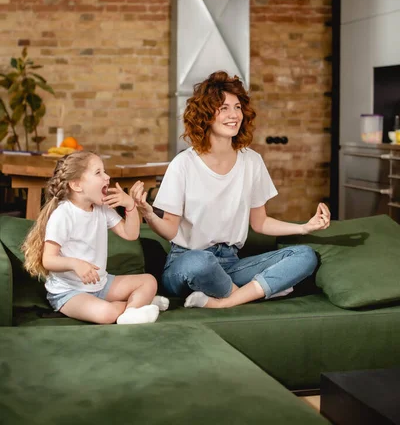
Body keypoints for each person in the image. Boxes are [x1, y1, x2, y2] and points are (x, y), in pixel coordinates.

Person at [131, 71, 331, 309]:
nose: (234, 115)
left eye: (237, 107)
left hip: (231, 263)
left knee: (304, 256)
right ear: (205, 115)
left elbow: (260, 223)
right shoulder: (183, 164)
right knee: (200, 261)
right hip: (186, 263)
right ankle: (250, 293)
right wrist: (148, 213)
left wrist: (305, 227)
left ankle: (225, 301)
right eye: (224, 108)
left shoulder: (252, 161)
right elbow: (170, 231)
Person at [22, 151, 169, 324]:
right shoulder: (63, 215)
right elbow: (48, 260)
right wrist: (76, 264)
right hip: (69, 292)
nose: (107, 177)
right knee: (106, 314)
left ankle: (132, 311)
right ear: (76, 185)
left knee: (148, 281)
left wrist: (130, 205)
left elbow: (130, 234)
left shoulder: (102, 209)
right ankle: (138, 305)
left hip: (102, 284)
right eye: (98, 172)